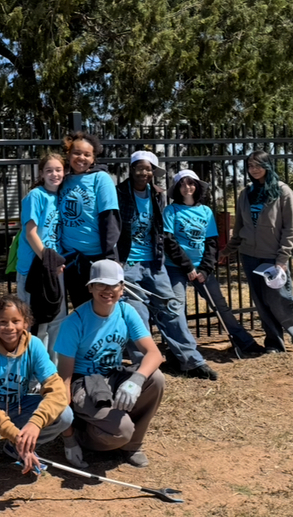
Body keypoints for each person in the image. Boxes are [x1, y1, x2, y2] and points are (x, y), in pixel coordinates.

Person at [54, 259, 165, 468]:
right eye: (100, 284)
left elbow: (154, 354)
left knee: (156, 379)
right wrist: (68, 439)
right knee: (121, 430)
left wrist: (136, 380)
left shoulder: (126, 312)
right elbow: (64, 380)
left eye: (113, 284)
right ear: (90, 288)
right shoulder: (74, 322)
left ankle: (131, 446)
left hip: (112, 375)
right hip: (85, 383)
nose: (107, 290)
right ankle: (84, 437)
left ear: (122, 288)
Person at [117, 152, 219, 380]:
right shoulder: (119, 193)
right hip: (128, 263)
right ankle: (144, 365)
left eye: (149, 168)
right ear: (131, 169)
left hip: (154, 263)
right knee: (138, 314)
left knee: (171, 308)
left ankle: (191, 361)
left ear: (154, 172)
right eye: (139, 168)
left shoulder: (157, 195)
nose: (144, 172)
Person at [0, 295, 72, 482]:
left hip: (16, 404)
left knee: (64, 415)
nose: (10, 327)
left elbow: (57, 389)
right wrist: (16, 435)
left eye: (16, 321)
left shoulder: (34, 345)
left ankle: (14, 448)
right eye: (3, 322)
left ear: (27, 323)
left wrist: (36, 423)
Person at [164, 170, 265, 361]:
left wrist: (204, 269)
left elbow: (211, 242)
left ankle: (244, 342)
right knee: (176, 308)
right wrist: (188, 267)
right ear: (177, 188)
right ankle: (182, 350)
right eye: (183, 184)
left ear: (197, 186)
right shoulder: (171, 211)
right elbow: (169, 241)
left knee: (220, 305)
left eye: (191, 183)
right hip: (176, 268)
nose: (188, 187)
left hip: (202, 270)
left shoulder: (206, 211)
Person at [221, 151, 293, 353]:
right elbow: (240, 227)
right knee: (260, 301)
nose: (254, 169)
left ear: (268, 165)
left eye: (258, 164)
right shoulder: (246, 193)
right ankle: (274, 343)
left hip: (273, 255)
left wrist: (282, 258)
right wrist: (228, 250)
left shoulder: (283, 192)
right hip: (250, 255)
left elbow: (289, 229)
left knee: (279, 298)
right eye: (250, 165)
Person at [58, 131, 120, 309]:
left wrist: (109, 257)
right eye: (77, 153)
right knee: (81, 308)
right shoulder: (64, 180)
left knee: (101, 308)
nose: (81, 158)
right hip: (70, 258)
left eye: (87, 154)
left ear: (93, 159)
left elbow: (110, 219)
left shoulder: (101, 179)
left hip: (96, 258)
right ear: (69, 154)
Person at [16, 152, 67, 362]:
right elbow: (31, 233)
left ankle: (52, 370)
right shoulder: (35, 196)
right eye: (49, 170)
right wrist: (49, 262)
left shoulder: (61, 196)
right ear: (41, 173)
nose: (54, 174)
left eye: (58, 170)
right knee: (36, 323)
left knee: (57, 320)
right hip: (35, 270)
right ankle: (33, 372)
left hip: (54, 269)